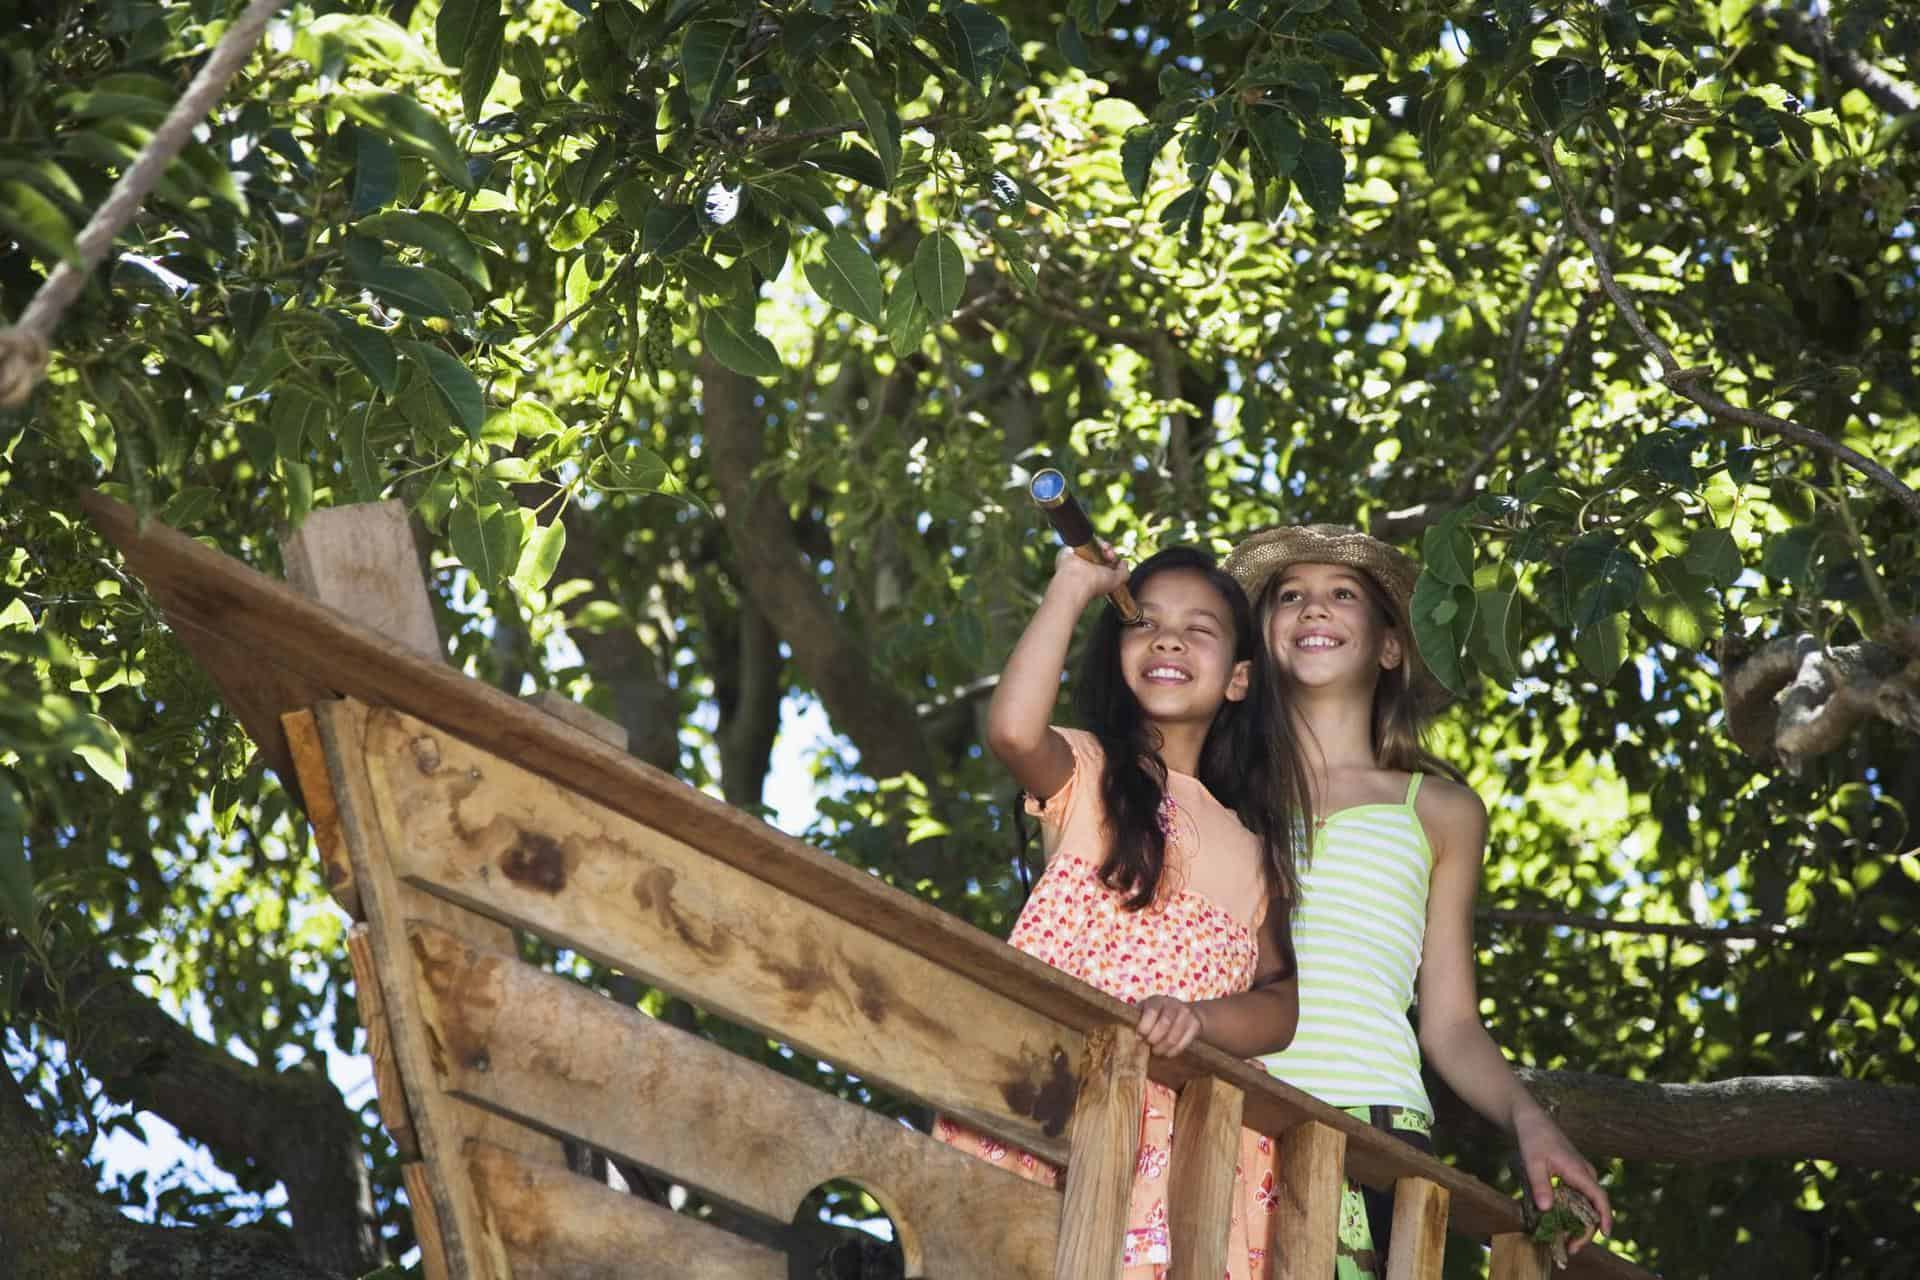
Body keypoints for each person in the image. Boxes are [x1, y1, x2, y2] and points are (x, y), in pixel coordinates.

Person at [1224, 524, 1615, 1278]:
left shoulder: (1438, 811)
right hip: (1230, 1105)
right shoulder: (1218, 792)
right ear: (1262, 639)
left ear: (1389, 645)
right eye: (1290, 597)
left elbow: (1451, 1023)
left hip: (1376, 1134)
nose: (1313, 610)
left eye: (1342, 596)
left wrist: (1531, 1121)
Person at [936, 544, 1308, 1277]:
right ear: (1119, 658)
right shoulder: (1088, 770)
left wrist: (1200, 1023)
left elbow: (1283, 1005)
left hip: (1175, 1137)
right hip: (1053, 1089)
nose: (1168, 639)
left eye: (1199, 628)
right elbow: (1012, 730)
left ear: (1239, 678)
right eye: (1146, 624)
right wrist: (1073, 588)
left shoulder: (1256, 851)